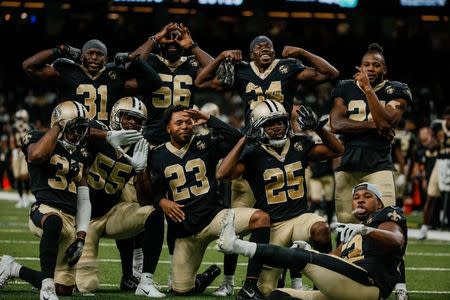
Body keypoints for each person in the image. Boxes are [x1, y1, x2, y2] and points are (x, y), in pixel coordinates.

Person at [216, 100, 344, 296]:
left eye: (280, 122)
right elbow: (222, 174)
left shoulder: (299, 145)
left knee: (321, 228)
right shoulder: (253, 153)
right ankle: (256, 284)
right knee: (266, 290)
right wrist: (243, 140)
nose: (277, 127)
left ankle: (324, 283)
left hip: (301, 217)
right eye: (270, 123)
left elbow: (337, 149)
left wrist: (319, 128)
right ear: (258, 127)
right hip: (273, 226)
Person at [147, 105, 271, 298]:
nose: (185, 126)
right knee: (181, 290)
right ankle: (205, 277)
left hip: (215, 218)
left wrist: (208, 118)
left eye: (188, 122)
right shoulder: (157, 155)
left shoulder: (205, 143)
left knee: (260, 218)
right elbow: (152, 192)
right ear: (168, 128)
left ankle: (250, 284)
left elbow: (238, 139)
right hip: (186, 231)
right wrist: (161, 201)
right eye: (178, 122)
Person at [217, 182, 408, 300]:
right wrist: (311, 249)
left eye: (367, 197)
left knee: (302, 257)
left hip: (368, 284)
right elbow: (331, 259)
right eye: (356, 197)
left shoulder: (386, 215)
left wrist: (367, 230)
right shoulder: (355, 232)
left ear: (380, 203)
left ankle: (235, 245)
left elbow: (397, 240)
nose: (360, 200)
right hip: (345, 285)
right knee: (280, 295)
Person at [329, 43, 411, 299]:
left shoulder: (397, 89)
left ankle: (399, 285)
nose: (371, 68)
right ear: (359, 66)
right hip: (348, 166)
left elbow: (387, 121)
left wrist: (366, 89)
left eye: (376, 65)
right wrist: (374, 125)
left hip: (378, 167)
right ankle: (339, 274)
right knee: (345, 226)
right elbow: (335, 124)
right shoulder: (343, 86)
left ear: (385, 69)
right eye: (366, 65)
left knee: (388, 225)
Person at [73, 96, 165, 298]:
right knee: (84, 286)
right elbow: (72, 128)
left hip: (108, 214)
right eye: (127, 117)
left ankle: (144, 280)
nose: (132, 123)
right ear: (116, 115)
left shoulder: (139, 146)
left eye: (137, 120)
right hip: (78, 220)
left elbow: (144, 200)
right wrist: (106, 136)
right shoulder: (96, 127)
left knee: (151, 213)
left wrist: (141, 170)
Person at [0, 101, 92, 300]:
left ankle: (13, 268)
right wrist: (58, 126)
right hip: (44, 209)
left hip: (70, 219)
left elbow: (84, 197)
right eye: (74, 128)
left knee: (65, 289)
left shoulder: (83, 153)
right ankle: (46, 288)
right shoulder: (37, 138)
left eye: (81, 129)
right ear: (60, 123)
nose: (78, 134)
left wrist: (81, 236)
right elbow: (35, 156)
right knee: (53, 221)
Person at [194, 35, 339, 127]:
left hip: (282, 131)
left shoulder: (287, 67)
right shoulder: (241, 70)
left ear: (274, 53)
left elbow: (331, 73)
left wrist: (303, 52)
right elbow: (200, 82)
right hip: (253, 132)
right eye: (259, 47)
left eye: (268, 47)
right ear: (251, 55)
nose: (264, 48)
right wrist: (221, 56)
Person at [22, 38, 162, 125]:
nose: (94, 57)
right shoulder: (68, 71)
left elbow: (154, 83)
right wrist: (60, 50)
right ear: (81, 56)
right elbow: (29, 66)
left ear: (106, 59)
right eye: (90, 53)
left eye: (99, 54)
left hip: (104, 136)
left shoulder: (114, 75)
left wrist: (133, 58)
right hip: (72, 135)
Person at [418, 107, 450, 239]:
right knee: (431, 196)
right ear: (445, 118)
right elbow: (429, 146)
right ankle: (424, 229)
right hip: (440, 162)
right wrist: (437, 139)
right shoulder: (437, 126)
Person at [9, 108, 33, 208]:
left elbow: (32, 139)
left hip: (25, 152)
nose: (19, 119)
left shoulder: (29, 127)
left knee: (24, 175)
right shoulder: (14, 127)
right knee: (18, 176)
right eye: (18, 118)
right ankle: (21, 198)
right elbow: (12, 139)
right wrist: (13, 150)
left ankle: (27, 197)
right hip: (17, 152)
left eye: (21, 118)